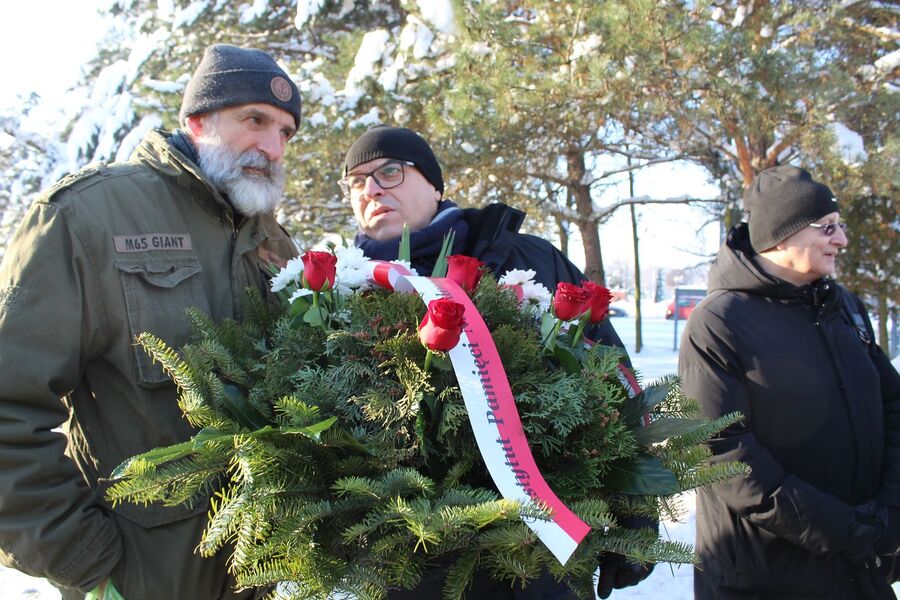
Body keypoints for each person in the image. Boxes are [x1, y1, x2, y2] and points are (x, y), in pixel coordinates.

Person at [0, 44, 300, 600]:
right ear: (197, 120)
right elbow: (8, 404)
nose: (272, 146)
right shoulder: (87, 217)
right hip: (146, 580)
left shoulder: (275, 245)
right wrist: (86, 560)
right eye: (254, 120)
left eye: (285, 132)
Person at [341, 126, 655, 599]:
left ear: (435, 185)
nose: (371, 189)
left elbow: (612, 374)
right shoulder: (341, 291)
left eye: (390, 171)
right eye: (356, 181)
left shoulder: (524, 258)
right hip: (410, 568)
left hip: (541, 553)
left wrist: (636, 508)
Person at [678, 165, 900, 599]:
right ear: (783, 234)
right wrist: (840, 528)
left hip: (861, 567)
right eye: (828, 228)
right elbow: (720, 452)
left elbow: (893, 407)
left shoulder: (844, 308)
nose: (842, 240)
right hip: (767, 577)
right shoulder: (720, 322)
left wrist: (889, 511)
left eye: (841, 226)